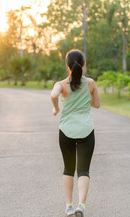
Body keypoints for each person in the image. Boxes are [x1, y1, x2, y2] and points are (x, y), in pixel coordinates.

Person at [50, 49, 100, 217]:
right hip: (86, 130)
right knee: (83, 171)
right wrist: (84, 100)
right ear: (83, 64)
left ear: (67, 65)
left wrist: (56, 108)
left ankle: (69, 206)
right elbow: (97, 104)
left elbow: (53, 95)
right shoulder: (91, 83)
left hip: (66, 131)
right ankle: (81, 206)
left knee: (68, 169)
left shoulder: (61, 84)